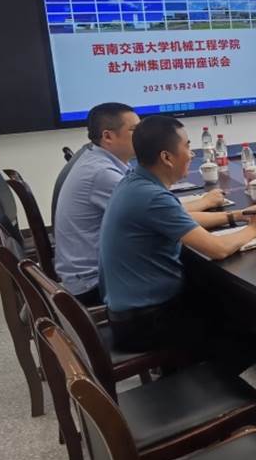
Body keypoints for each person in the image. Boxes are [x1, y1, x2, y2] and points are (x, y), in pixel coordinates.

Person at [99, 115, 256, 374]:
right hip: (145, 322)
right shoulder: (151, 196)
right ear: (167, 157)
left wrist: (236, 215)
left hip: (130, 310)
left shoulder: (135, 181)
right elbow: (218, 249)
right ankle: (188, 385)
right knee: (247, 342)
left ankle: (183, 366)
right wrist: (255, 228)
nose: (191, 154)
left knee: (225, 301)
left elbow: (178, 218)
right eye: (188, 147)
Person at [54, 104, 227, 307]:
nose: (142, 135)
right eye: (134, 130)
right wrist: (210, 205)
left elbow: (161, 209)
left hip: (103, 271)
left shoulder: (101, 160)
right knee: (210, 286)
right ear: (108, 136)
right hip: (96, 283)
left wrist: (209, 205)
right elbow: (161, 211)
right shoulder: (102, 174)